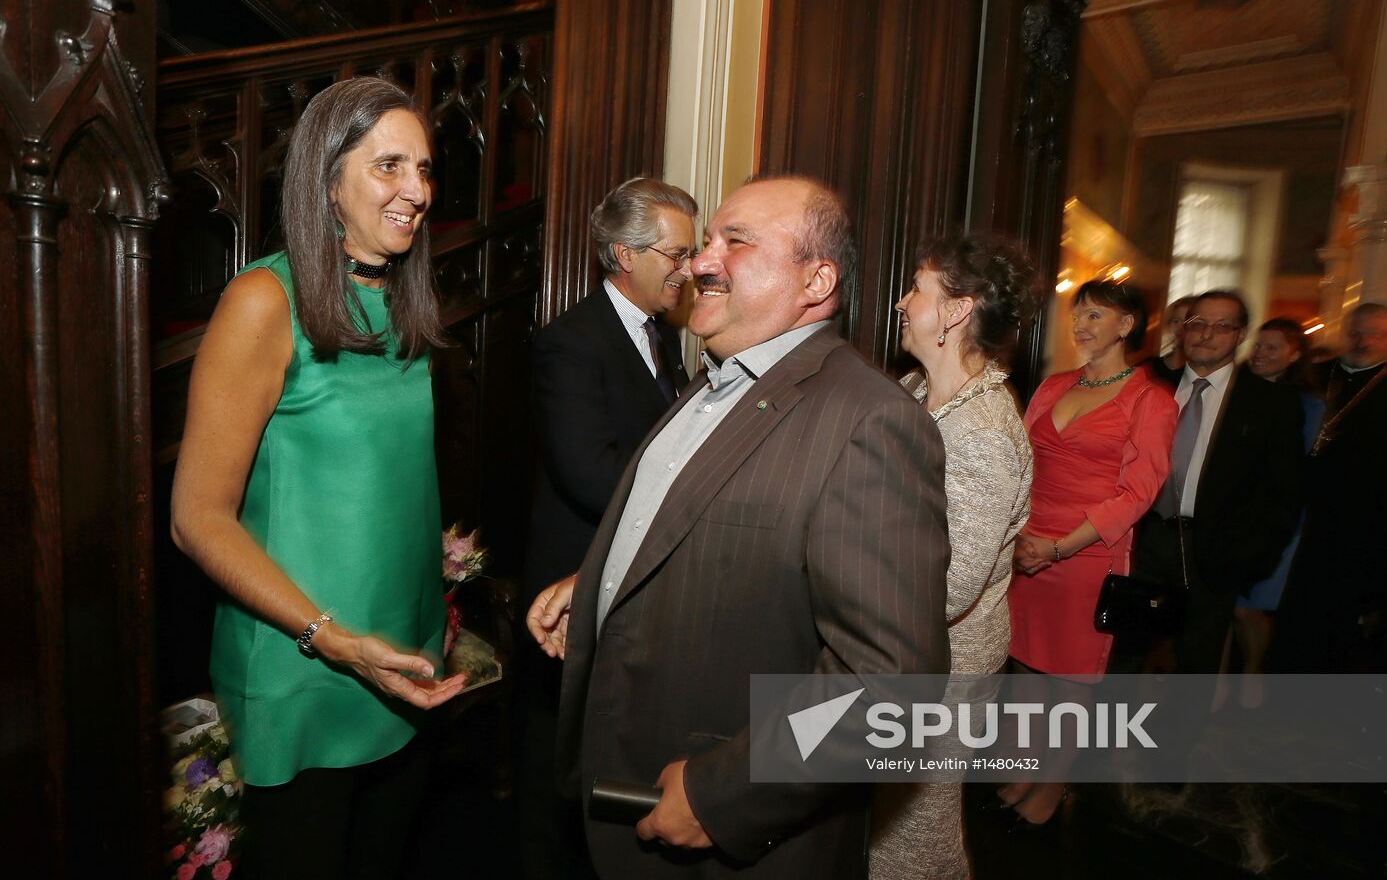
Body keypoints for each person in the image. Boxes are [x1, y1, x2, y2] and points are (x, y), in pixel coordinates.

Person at [528, 176, 951, 878]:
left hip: (725, 834)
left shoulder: (868, 420)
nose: (699, 262)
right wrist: (606, 582)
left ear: (816, 279)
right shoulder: (716, 383)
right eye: (705, 243)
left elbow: (892, 687)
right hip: (628, 795)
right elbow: (706, 529)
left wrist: (726, 791)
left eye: (737, 241)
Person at [170, 77, 466, 879]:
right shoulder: (265, 301)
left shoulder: (402, 304)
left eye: (426, 169)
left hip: (400, 670)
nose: (417, 191)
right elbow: (197, 517)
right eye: (389, 166)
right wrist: (330, 638)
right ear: (327, 179)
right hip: (306, 673)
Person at [518, 177, 697, 879]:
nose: (689, 269)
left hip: (625, 584)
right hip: (566, 595)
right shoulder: (570, 342)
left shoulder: (664, 340)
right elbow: (591, 473)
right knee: (553, 770)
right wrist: (696, 493)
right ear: (624, 252)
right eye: (675, 254)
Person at [869, 234, 1036, 880]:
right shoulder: (914, 391)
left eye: (917, 288)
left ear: (958, 310)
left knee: (913, 839)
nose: (903, 302)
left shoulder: (986, 432)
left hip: (942, 664)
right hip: (899, 648)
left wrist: (842, 580)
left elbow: (952, 585)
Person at [1003, 280, 1176, 823]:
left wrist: (1057, 548)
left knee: (1072, 678)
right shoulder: (1053, 386)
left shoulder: (1152, 401)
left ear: (1127, 326)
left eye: (1096, 315)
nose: (1081, 324)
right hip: (1028, 543)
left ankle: (1050, 790)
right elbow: (1020, 463)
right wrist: (1017, 537)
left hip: (1087, 551)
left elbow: (1138, 493)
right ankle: (1022, 772)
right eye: (1078, 314)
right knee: (1027, 666)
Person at [1128, 293, 1303, 678]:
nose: (1207, 335)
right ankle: (1114, 734)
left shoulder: (1270, 404)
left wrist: (1251, 558)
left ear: (1240, 334)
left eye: (1222, 326)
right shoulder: (1148, 387)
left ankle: (1180, 738)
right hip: (1143, 542)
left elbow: (1284, 492)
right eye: (1197, 324)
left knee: (1197, 662)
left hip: (1216, 549)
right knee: (1125, 653)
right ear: (1183, 329)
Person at [1275, 303, 1387, 672]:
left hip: (1356, 526)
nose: (1364, 341)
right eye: (1358, 331)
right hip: (1292, 514)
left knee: (1334, 617)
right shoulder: (1309, 378)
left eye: (1377, 333)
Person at [1233, 318, 1323, 704]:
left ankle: (1253, 672)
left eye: (1272, 348)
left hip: (1276, 521)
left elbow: (1294, 466)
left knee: (1249, 608)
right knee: (1224, 605)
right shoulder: (1234, 391)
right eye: (1258, 345)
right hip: (1230, 516)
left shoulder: (1308, 404)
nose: (1261, 354)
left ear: (1294, 354)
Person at [1147, 294, 1195, 385]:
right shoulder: (1149, 366)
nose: (1181, 327)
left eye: (1188, 322)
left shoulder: (1197, 376)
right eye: (1176, 321)